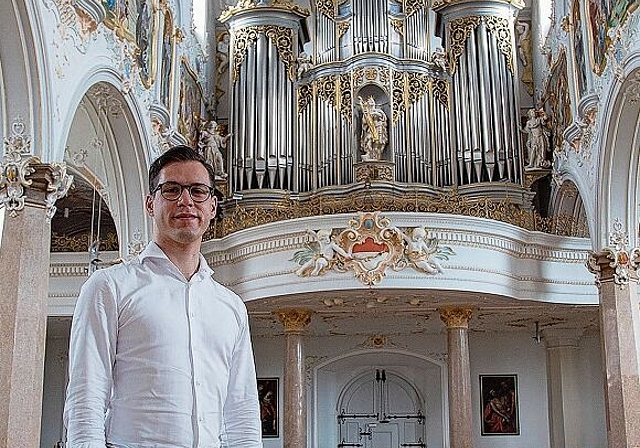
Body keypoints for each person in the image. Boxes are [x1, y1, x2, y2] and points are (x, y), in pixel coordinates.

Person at [63, 146, 262, 448]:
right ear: (149, 203)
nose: (186, 201)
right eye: (171, 190)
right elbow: (85, 397)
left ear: (212, 205)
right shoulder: (110, 287)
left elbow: (242, 409)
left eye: (198, 191)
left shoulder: (230, 306)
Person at [359, 96, 388, 161]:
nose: (371, 104)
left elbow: (384, 118)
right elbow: (364, 122)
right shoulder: (367, 113)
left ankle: (376, 156)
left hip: (378, 129)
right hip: (370, 130)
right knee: (368, 141)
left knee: (377, 143)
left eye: (372, 102)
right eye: (369, 102)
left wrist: (376, 113)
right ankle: (369, 154)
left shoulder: (378, 111)